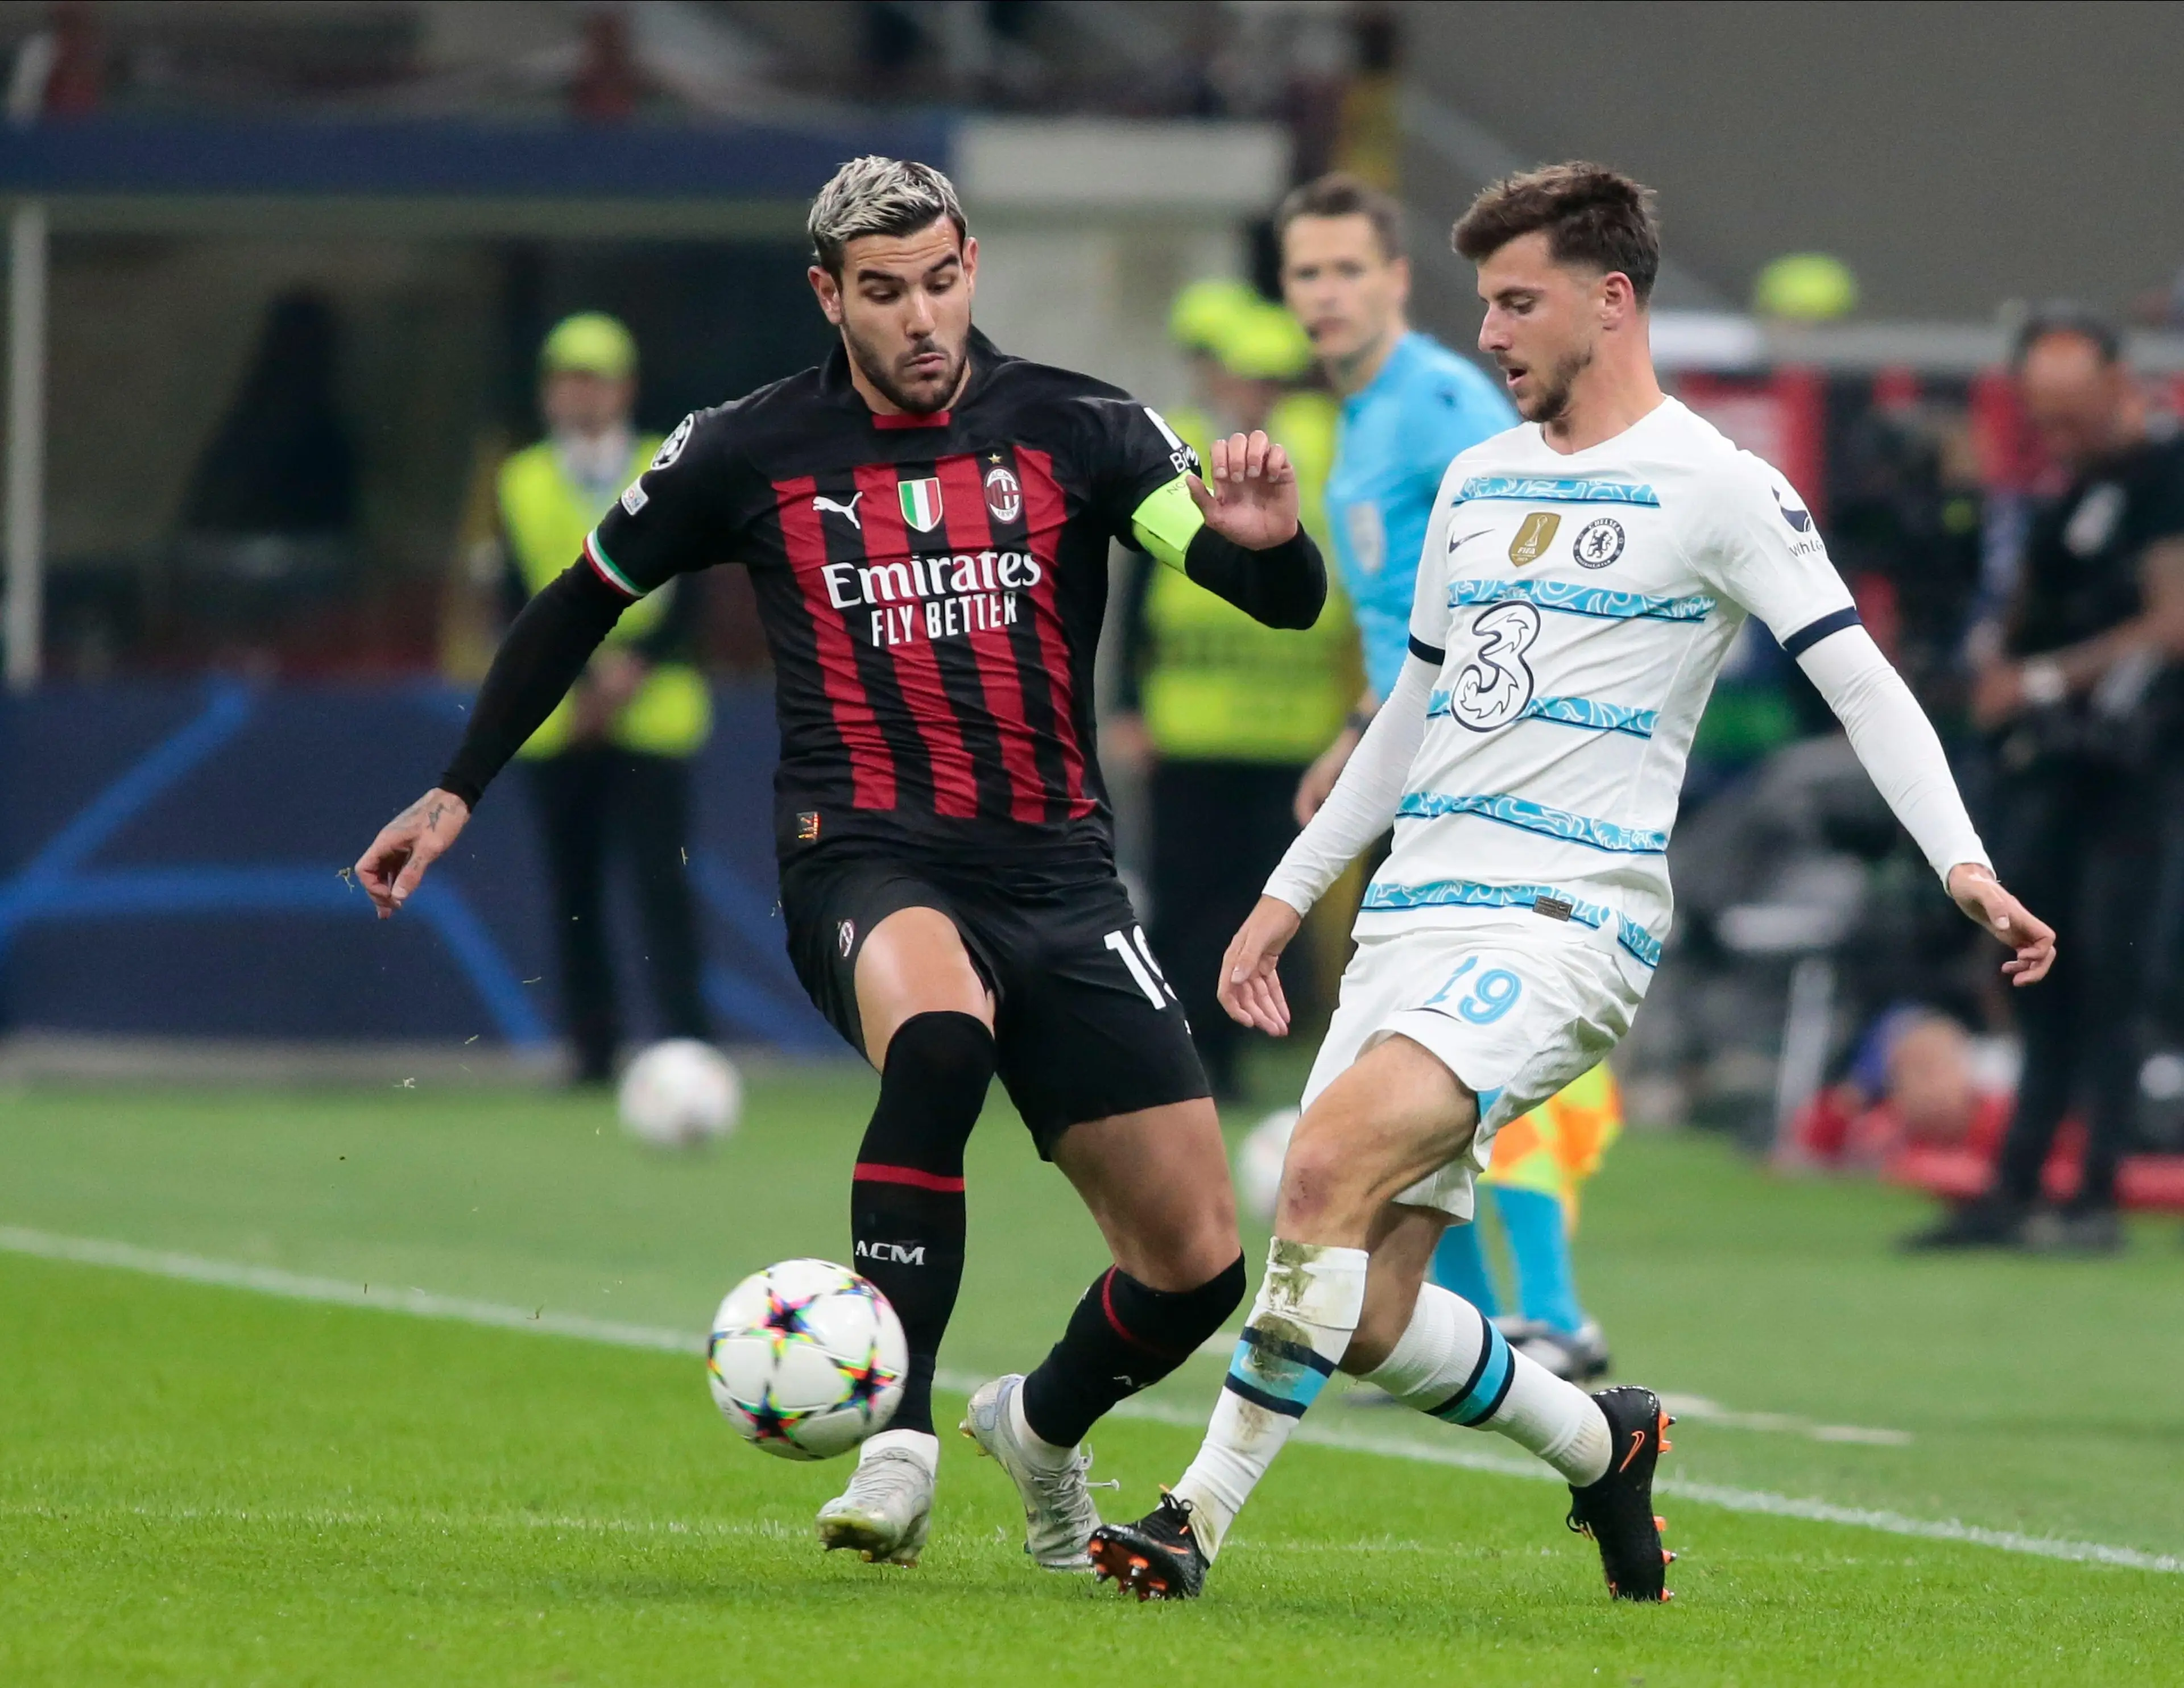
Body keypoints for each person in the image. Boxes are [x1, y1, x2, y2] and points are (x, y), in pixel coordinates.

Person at [1087, 162, 2054, 1604]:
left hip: (1565, 922)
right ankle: (1603, 1443)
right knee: (1368, 1310)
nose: (1492, 333)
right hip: (1416, 914)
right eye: (1484, 303)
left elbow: (1864, 686)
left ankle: (1193, 1513)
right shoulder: (1478, 484)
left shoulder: (1721, 486)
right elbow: (1410, 714)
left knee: (1320, 1166)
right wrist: (1291, 893)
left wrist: (1965, 863)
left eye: (1519, 301)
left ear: (1613, 301)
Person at [353, 158, 1327, 1573]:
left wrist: (1273, 541)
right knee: (939, 1039)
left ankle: (1038, 1424)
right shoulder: (745, 449)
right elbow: (580, 603)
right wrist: (457, 788)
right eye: (884, 292)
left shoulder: (1083, 428)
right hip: (860, 856)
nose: (921, 317)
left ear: (972, 262)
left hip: (1059, 877)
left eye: (940, 280)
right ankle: (901, 1437)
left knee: (1196, 1265)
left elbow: (1269, 594)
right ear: (829, 294)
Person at [1279, 171, 1615, 1380]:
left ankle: (1559, 1311)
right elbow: (1403, 621)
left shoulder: (1434, 401)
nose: (1324, 295)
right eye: (1305, 273)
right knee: (1414, 1054)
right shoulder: (1363, 416)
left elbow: (1529, 550)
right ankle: (1463, 1327)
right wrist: (1358, 736)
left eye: (1345, 271)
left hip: (1482, 766)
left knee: (1463, 1051)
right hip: (1410, 748)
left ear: (1395, 280)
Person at [1906, 306, 2184, 1254]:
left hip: (2144, 770)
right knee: (2038, 970)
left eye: (2073, 413)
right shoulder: (2075, 491)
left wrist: (2038, 678)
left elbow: (2173, 621)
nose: (2058, 435)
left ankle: (2093, 1195)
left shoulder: (2165, 477)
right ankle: (2018, 1183)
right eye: (2044, 416)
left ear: (2120, 385)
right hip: (2062, 765)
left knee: (2113, 970)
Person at [1111, 292, 1352, 1099]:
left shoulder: (1328, 449)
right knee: (1183, 901)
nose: (1247, 389)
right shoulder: (1179, 443)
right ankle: (1189, 1058)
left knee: (1261, 901)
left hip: (1290, 728)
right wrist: (1129, 706)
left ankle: (1238, 1057)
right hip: (1192, 725)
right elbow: (1140, 587)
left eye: (1265, 377)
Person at [494, 312, 713, 1084]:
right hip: (560, 719)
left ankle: (689, 1041)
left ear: (624, 387)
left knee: (663, 884)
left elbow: (694, 595)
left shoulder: (670, 464)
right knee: (575, 890)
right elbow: (518, 596)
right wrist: (584, 677)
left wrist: (634, 668)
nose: (579, 395)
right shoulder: (519, 479)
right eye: (565, 380)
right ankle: (592, 1049)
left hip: (652, 715)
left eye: (593, 379)